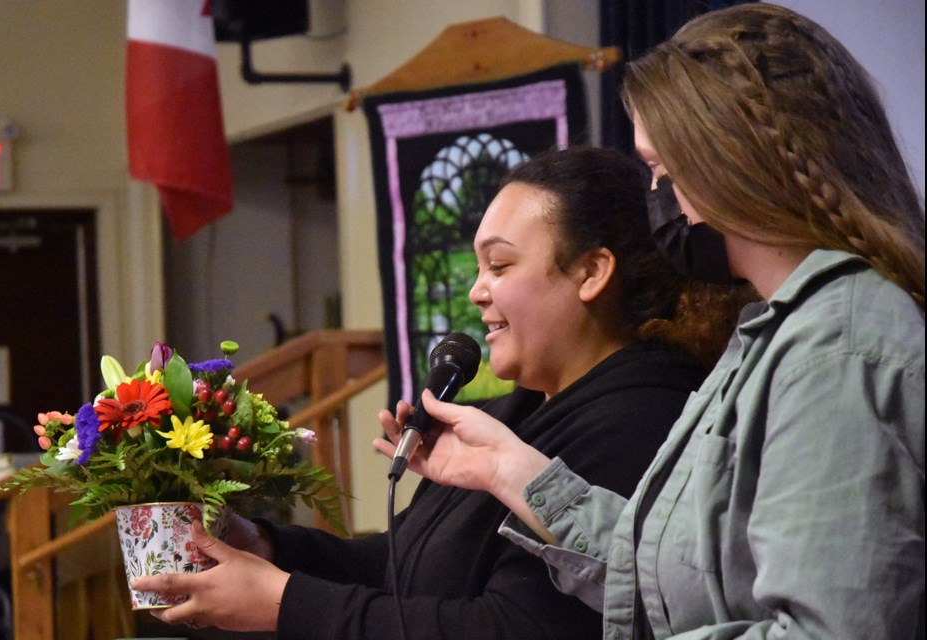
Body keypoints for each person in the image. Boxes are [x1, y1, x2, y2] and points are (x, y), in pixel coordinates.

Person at [376, 4, 926, 639]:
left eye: (663, 171)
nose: (662, 199)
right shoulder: (773, 337)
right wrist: (508, 469)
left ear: (728, 162)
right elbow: (677, 584)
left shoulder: (836, 349)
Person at [132, 147, 738, 638]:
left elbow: (513, 627)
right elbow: (410, 570)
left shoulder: (642, 417)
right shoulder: (518, 410)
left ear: (590, 272)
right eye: (478, 269)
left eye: (499, 267)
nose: (476, 292)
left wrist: (286, 604)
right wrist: (269, 547)